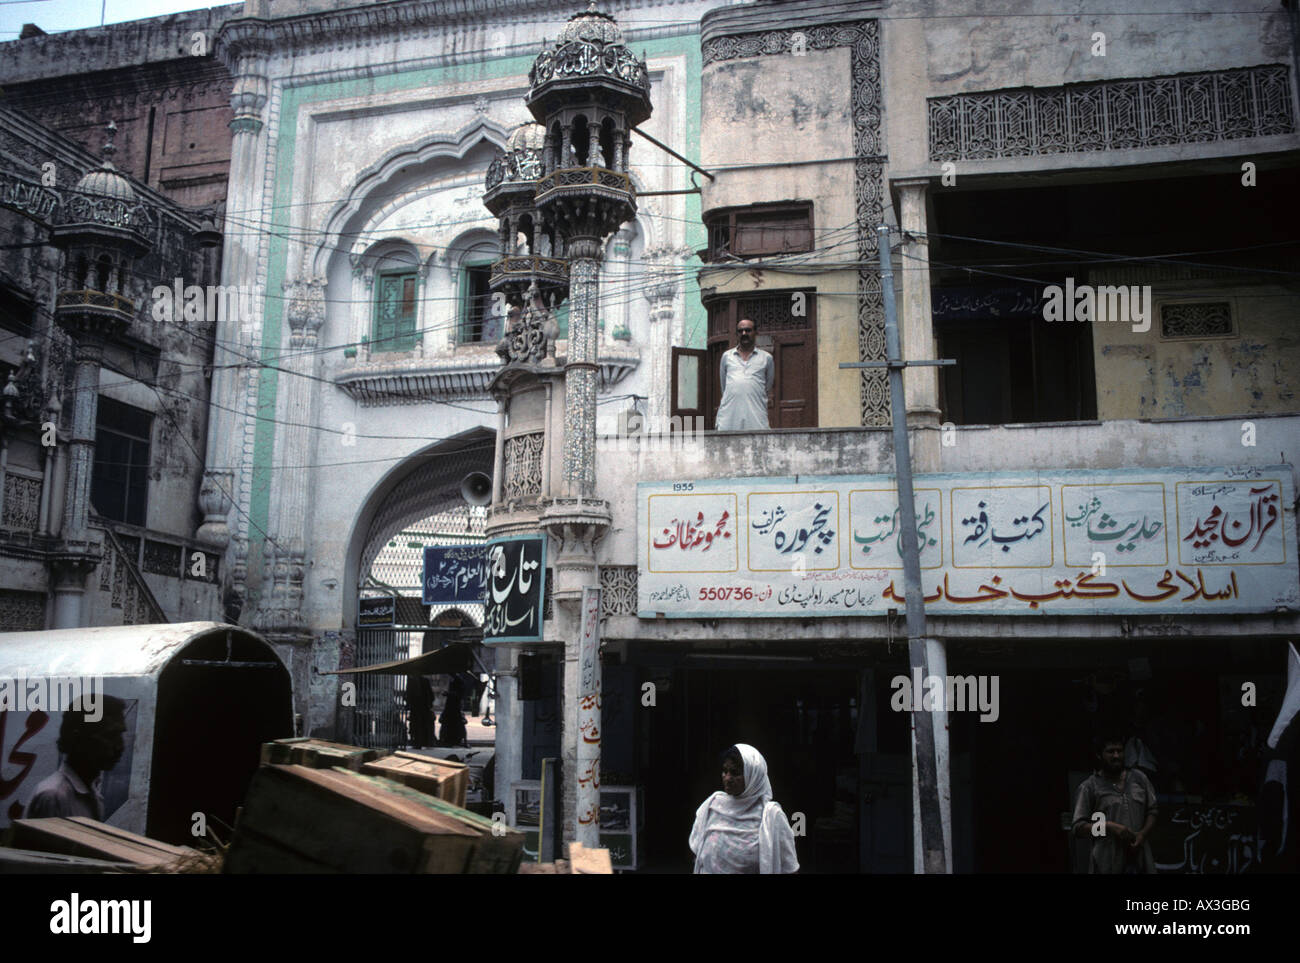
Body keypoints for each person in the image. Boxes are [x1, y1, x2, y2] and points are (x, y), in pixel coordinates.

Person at [689, 743, 799, 873]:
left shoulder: (771, 816)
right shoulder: (711, 806)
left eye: (735, 773)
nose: (728, 778)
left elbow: (789, 867)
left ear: (753, 775)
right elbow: (696, 853)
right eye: (725, 771)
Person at [26, 696, 127, 821]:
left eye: (120, 735)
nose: (120, 747)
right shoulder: (54, 797)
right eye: (110, 736)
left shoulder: (93, 795)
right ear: (78, 738)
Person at [1071, 733, 1158, 873]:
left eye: (1120, 751)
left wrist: (1143, 834)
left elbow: (1152, 810)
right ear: (1099, 755)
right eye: (1111, 751)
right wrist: (1109, 827)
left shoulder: (1139, 778)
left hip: (1139, 860)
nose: (1116, 756)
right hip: (1106, 862)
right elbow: (1078, 828)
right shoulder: (1090, 787)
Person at [715, 318, 774, 430]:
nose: (744, 333)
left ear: (756, 332)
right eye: (740, 331)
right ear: (737, 334)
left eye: (748, 330)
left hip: (756, 418)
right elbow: (725, 388)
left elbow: (767, 387)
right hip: (729, 419)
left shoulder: (766, 358)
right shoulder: (727, 357)